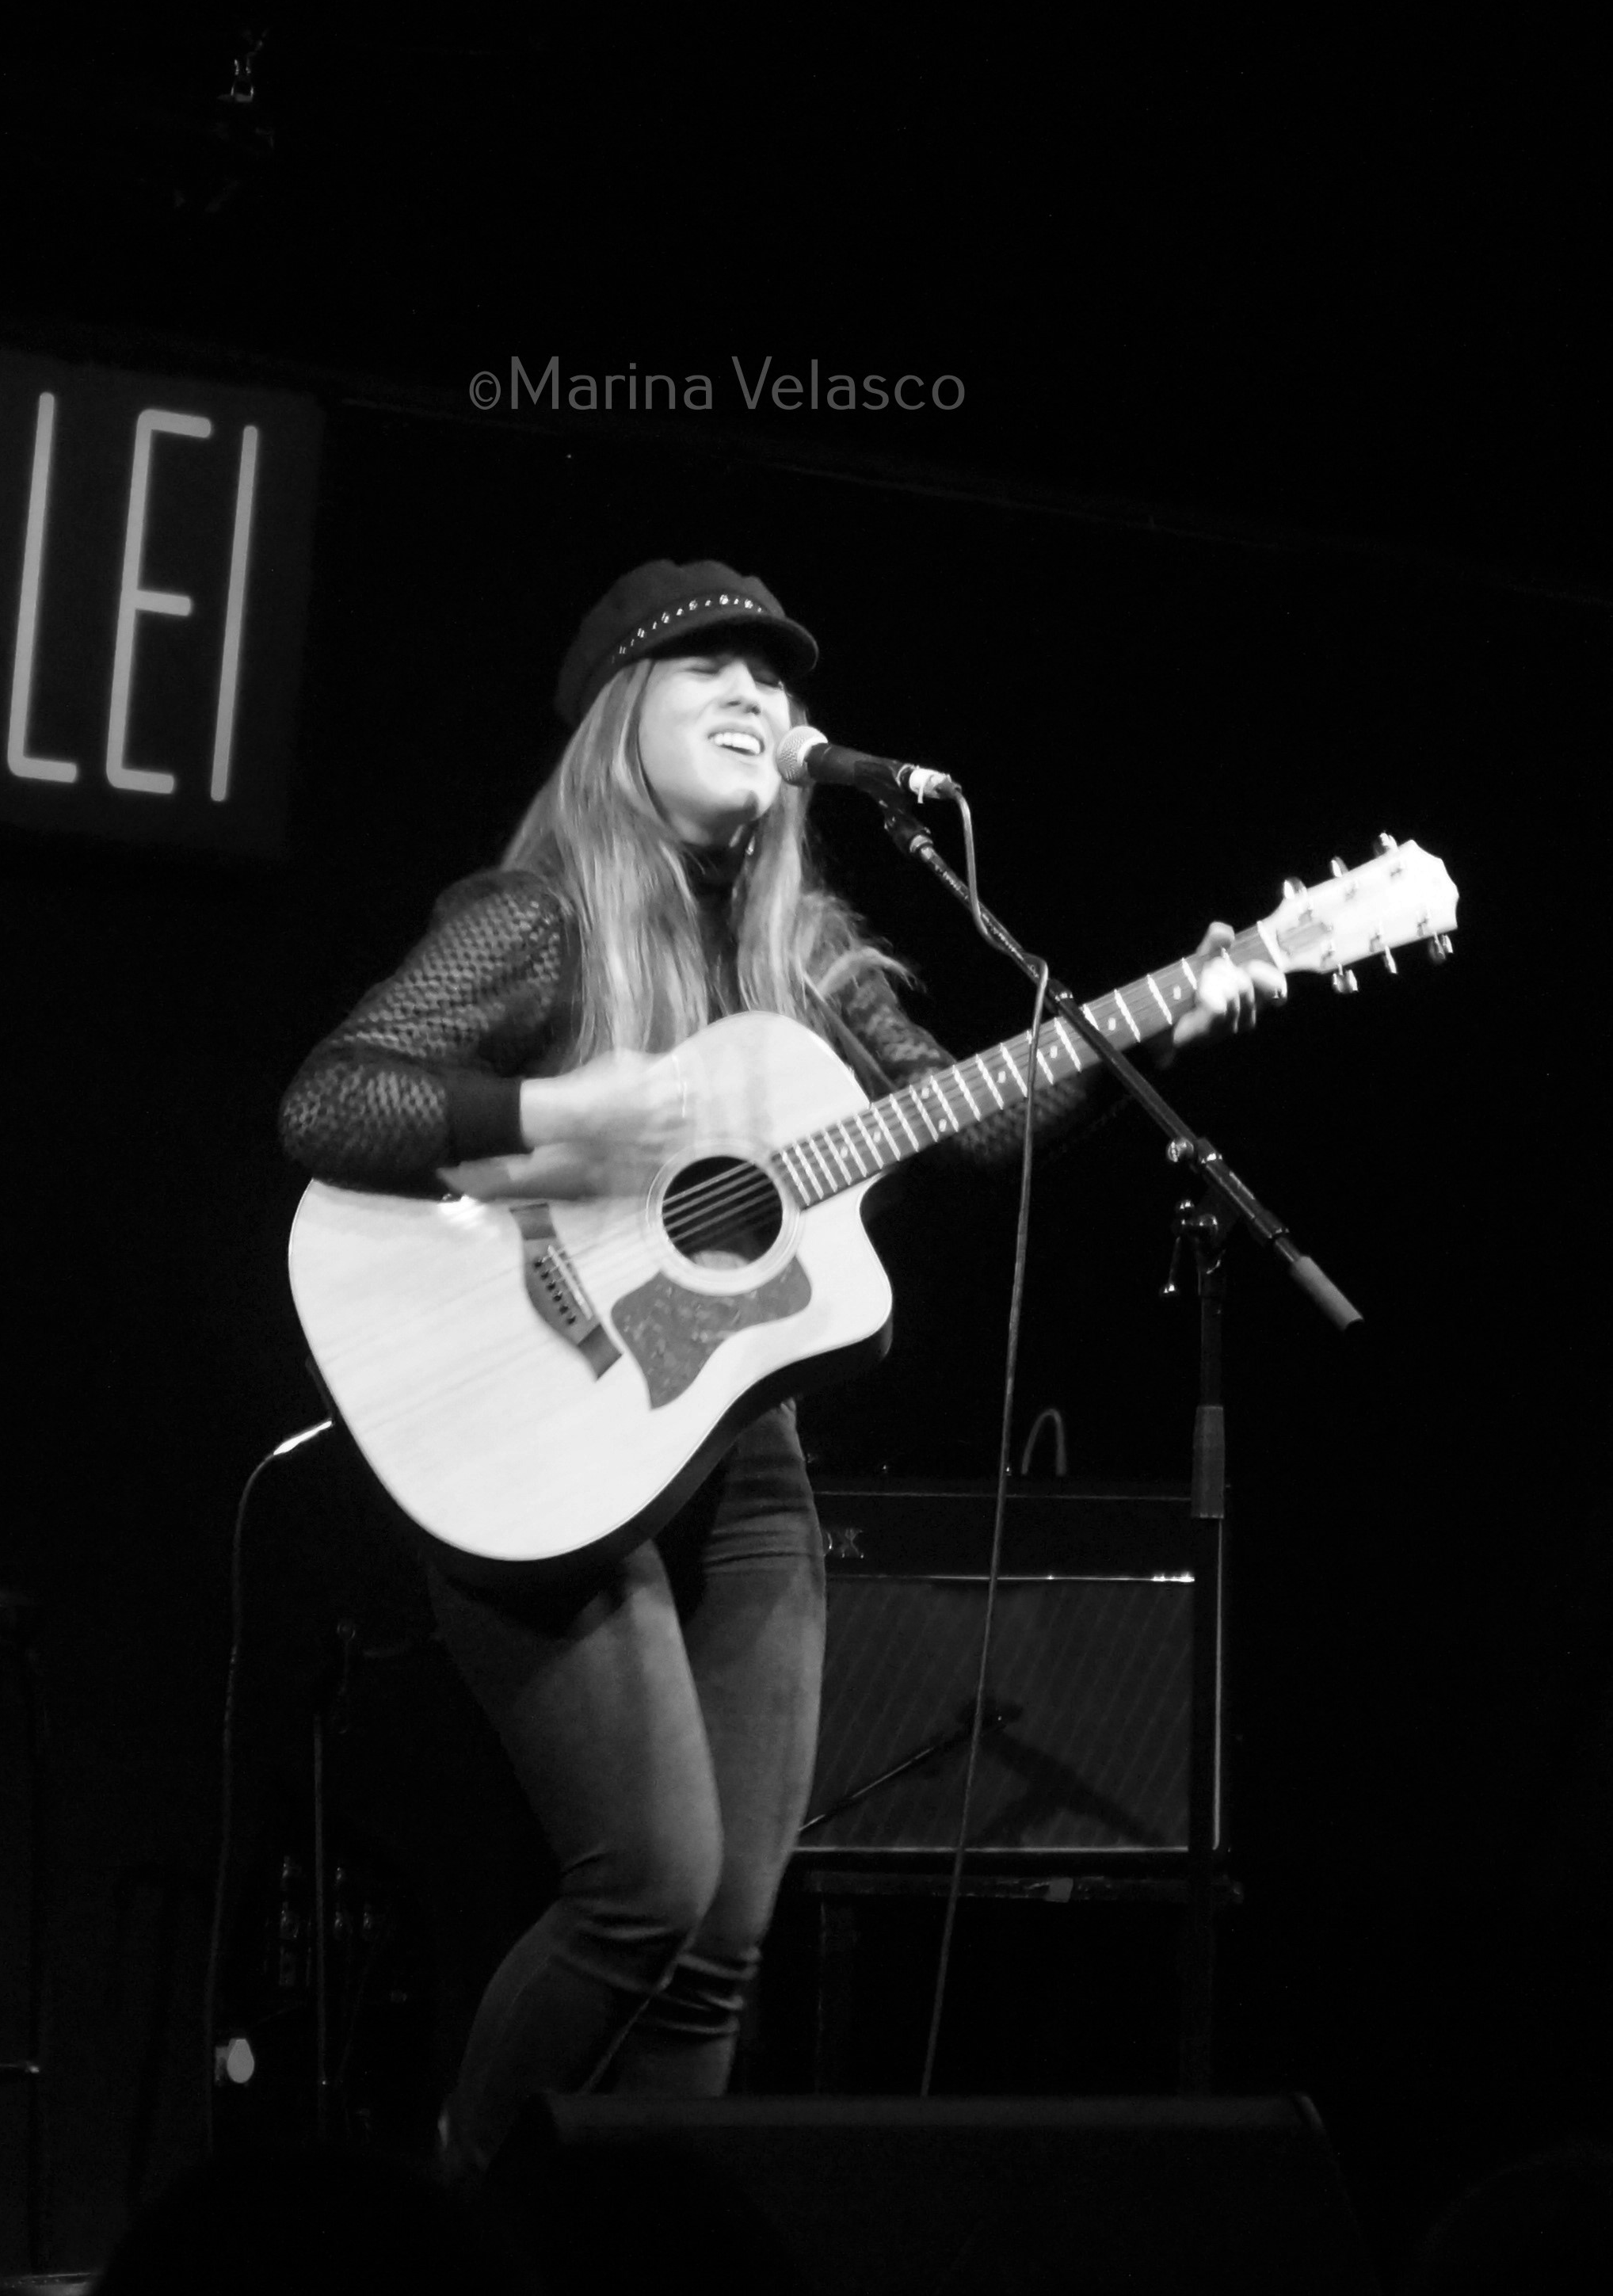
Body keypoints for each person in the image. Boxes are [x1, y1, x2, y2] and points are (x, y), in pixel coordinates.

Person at [277, 559, 1273, 2178]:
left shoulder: (810, 957)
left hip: (744, 1463)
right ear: (620, 719)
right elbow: (330, 1103)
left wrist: (1159, 1013)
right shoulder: (538, 920)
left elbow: (970, 1119)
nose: (758, 694)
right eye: (709, 668)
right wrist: (555, 1114)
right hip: (544, 1441)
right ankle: (457, 2230)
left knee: (726, 1936)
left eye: (776, 675)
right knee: (647, 1891)